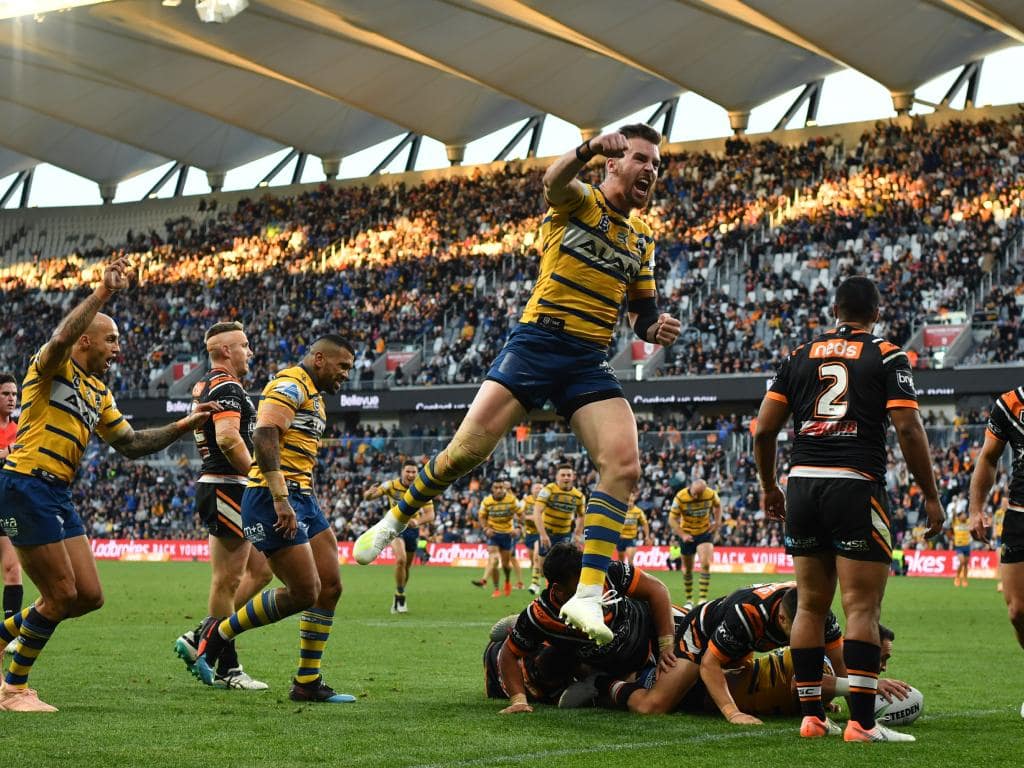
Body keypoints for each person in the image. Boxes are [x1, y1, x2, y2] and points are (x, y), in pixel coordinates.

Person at [354, 124, 681, 645]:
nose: (650, 170)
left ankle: (588, 595)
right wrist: (589, 147)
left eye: (657, 165)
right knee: (465, 453)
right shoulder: (579, 201)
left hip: (587, 359)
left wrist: (654, 329)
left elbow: (642, 312)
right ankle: (397, 516)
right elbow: (553, 181)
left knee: (624, 464)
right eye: (641, 159)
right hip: (537, 343)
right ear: (614, 164)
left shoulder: (643, 239)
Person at [0, 256, 220, 712]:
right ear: (86, 341)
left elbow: (131, 444)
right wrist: (103, 293)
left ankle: (4, 636)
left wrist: (184, 426)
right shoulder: (50, 371)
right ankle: (13, 689)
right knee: (60, 595)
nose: (119, 348)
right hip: (25, 483)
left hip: (58, 492)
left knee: (88, 597)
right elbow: (59, 337)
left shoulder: (99, 393)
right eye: (112, 339)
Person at [754, 275, 943, 742]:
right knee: (862, 607)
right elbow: (909, 429)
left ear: (834, 310)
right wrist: (932, 495)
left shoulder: (798, 355)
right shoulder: (887, 354)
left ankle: (812, 718)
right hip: (854, 484)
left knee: (810, 606)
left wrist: (768, 486)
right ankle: (861, 723)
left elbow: (762, 431)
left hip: (801, 486)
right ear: (876, 313)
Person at [193, 335, 357, 704]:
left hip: (303, 496)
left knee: (330, 586)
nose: (346, 374)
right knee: (303, 592)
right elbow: (265, 433)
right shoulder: (289, 384)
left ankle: (307, 681)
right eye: (342, 366)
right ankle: (217, 633)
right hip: (272, 497)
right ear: (319, 359)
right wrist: (280, 496)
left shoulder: (314, 397)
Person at [173, 322, 273, 689]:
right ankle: (227, 667)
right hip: (226, 486)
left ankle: (201, 633)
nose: (250, 352)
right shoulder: (227, 385)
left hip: (228, 486)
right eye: (244, 345)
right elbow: (229, 439)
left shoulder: (206, 385)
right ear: (226, 351)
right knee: (228, 580)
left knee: (261, 570)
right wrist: (260, 478)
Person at [496, 542, 676, 715]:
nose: (591, 587)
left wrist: (666, 644)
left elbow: (657, 590)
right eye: (581, 585)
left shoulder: (608, 572)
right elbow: (509, 653)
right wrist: (519, 701)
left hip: (650, 626)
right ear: (558, 590)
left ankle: (520, 625)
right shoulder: (541, 616)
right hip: (620, 666)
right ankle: (595, 682)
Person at [969, 385, 1024, 714]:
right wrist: (977, 509)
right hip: (1019, 515)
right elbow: (988, 458)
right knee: (1018, 612)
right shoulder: (1010, 403)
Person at [363, 461, 436, 613]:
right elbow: (369, 497)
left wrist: (417, 521)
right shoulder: (390, 485)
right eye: (408, 471)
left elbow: (431, 514)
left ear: (417, 473)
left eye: (413, 472)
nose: (410, 475)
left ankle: (398, 592)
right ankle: (401, 596)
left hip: (411, 529)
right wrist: (369, 493)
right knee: (400, 559)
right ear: (402, 471)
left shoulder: (422, 490)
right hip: (394, 527)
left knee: (407, 567)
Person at [0, 373, 24, 655]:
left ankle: (9, 633)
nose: (11, 399)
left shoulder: (20, 429)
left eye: (14, 395)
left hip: (7, 504)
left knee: (12, 569)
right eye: (6, 393)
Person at [668, 479, 721, 604]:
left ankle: (702, 599)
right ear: (690, 487)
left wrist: (717, 522)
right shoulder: (680, 497)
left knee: (706, 564)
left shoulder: (711, 494)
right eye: (694, 493)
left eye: (700, 494)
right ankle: (689, 600)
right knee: (687, 569)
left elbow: (718, 506)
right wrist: (682, 534)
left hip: (704, 532)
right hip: (687, 534)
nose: (696, 496)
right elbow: (672, 519)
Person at [534, 464, 585, 577]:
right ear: (557, 477)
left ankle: (555, 591)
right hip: (547, 533)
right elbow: (537, 511)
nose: (566, 477)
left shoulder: (579, 496)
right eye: (563, 475)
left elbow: (581, 515)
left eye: (568, 475)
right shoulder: (548, 490)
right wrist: (543, 535)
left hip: (564, 534)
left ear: (573, 477)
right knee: (543, 571)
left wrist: (577, 534)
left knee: (561, 569)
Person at [478, 478, 520, 598]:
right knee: (495, 560)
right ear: (492, 489)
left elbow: (521, 514)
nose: (498, 490)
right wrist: (486, 528)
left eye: (501, 487)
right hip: (494, 534)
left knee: (506, 565)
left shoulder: (512, 500)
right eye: (496, 488)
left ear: (504, 488)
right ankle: (496, 588)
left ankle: (507, 581)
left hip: (507, 535)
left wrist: (518, 528)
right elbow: (481, 516)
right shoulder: (486, 501)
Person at [520, 481, 544, 594]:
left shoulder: (545, 501)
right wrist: (532, 517)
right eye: (536, 488)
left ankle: (535, 583)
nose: (538, 490)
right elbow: (520, 515)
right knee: (532, 560)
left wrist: (534, 518)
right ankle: (537, 578)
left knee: (536, 557)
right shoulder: (525, 501)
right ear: (532, 490)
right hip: (529, 533)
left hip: (541, 532)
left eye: (540, 488)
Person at [616, 492, 649, 566]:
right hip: (620, 538)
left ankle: (632, 576)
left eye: (631, 500)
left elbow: (645, 523)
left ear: (634, 499)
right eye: (628, 500)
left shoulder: (638, 511)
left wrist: (647, 536)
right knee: (620, 562)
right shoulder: (620, 510)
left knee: (630, 562)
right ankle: (622, 576)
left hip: (631, 539)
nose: (630, 502)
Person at [951, 510, 971, 588]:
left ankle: (965, 579)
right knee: (962, 561)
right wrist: (954, 507)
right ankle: (957, 576)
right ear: (959, 517)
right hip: (959, 546)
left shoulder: (968, 522)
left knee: (966, 564)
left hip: (967, 545)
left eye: (965, 514)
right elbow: (953, 516)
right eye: (963, 515)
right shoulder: (955, 522)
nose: (965, 516)